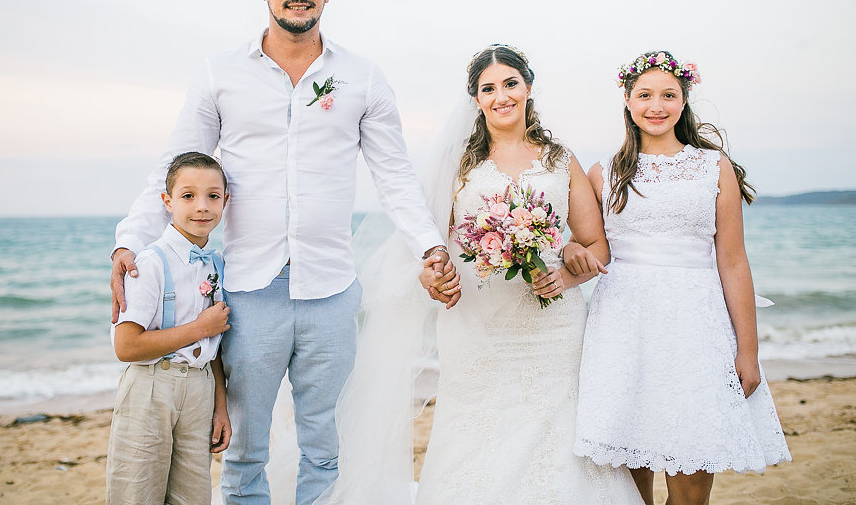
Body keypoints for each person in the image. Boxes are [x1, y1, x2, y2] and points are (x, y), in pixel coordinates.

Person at [109, 0, 458, 505]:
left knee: (324, 446)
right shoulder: (220, 73)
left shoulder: (362, 77)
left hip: (331, 290)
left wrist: (428, 247)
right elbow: (173, 166)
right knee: (246, 450)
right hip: (249, 290)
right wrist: (129, 240)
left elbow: (395, 177)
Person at [316, 45, 644, 504]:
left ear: (528, 88)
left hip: (552, 328)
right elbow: (426, 248)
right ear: (475, 99)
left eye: (510, 84)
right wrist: (431, 277)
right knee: (474, 433)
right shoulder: (457, 167)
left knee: (555, 435)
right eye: (488, 88)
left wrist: (565, 276)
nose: (501, 96)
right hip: (475, 322)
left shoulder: (560, 160)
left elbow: (596, 246)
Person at [573, 51, 791, 505]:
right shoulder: (603, 173)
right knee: (629, 489)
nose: (657, 105)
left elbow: (733, 262)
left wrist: (747, 351)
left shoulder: (713, 167)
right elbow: (591, 246)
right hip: (622, 330)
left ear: (684, 101)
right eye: (645, 95)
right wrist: (572, 249)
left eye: (668, 95)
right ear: (628, 102)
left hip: (696, 329)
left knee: (691, 490)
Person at [107, 151, 232, 505]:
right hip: (152, 387)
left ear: (226, 200)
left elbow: (216, 345)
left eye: (213, 196)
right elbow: (126, 347)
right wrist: (198, 327)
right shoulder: (149, 263)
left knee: (193, 496)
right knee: (138, 492)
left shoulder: (219, 264)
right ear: (167, 202)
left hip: (200, 388)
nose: (202, 207)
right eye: (188, 196)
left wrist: (220, 406)